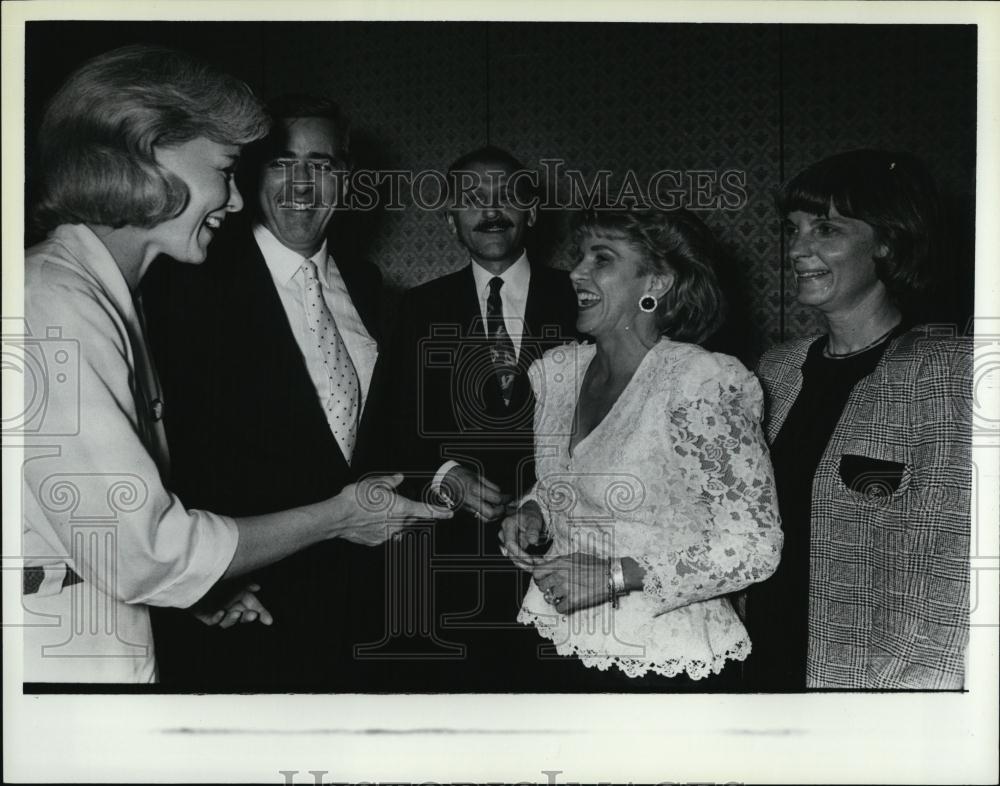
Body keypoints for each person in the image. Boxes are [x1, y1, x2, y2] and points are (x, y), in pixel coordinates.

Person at [21, 46, 449, 684]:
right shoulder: (53, 301)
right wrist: (340, 516)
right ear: (153, 153)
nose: (235, 196)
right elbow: (147, 549)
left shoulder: (98, 294)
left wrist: (194, 591)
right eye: (227, 168)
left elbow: (112, 534)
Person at [141, 93, 390, 689]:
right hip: (240, 608)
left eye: (322, 164)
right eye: (283, 162)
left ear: (346, 179)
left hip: (363, 611)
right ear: (250, 175)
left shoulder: (372, 284)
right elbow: (160, 448)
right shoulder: (186, 279)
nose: (303, 183)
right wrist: (204, 584)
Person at [500, 207, 783, 689]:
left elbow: (755, 548)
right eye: (580, 256)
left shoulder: (699, 382)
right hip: (553, 636)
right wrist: (533, 512)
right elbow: (567, 481)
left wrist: (614, 577)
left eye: (602, 259)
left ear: (657, 282)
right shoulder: (558, 372)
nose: (576, 273)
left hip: (662, 662)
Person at [743, 149, 972, 690]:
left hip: (869, 684)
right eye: (794, 229)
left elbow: (953, 573)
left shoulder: (947, 375)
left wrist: (888, 705)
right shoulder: (774, 371)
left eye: (826, 229)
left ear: (888, 241)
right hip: (759, 667)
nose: (798, 248)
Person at [359, 146, 580, 690]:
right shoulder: (414, 308)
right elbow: (383, 432)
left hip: (566, 565)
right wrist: (442, 474)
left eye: (508, 195)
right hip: (445, 575)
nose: (492, 210)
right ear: (451, 220)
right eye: (473, 200)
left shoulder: (582, 298)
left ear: (533, 210)